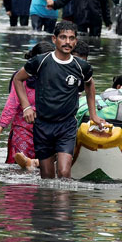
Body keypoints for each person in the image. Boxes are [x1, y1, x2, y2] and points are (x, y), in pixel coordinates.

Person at [12, 21, 106, 179]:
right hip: (42, 125)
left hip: (67, 126)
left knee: (63, 172)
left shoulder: (81, 66)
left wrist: (94, 115)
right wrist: (26, 107)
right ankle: (48, 203)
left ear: (76, 41)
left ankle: (64, 203)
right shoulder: (40, 61)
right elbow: (18, 79)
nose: (67, 42)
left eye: (71, 38)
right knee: (47, 177)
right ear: (54, 39)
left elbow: (89, 84)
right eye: (63, 37)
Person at [0, 42, 54, 170]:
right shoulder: (21, 78)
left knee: (41, 169)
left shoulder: (56, 78)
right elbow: (11, 105)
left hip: (45, 130)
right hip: (22, 128)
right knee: (19, 166)